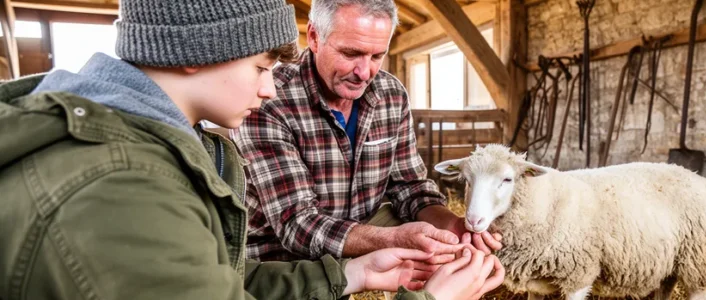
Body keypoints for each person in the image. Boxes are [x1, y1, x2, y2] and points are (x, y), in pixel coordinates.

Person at [0, 0, 502, 299]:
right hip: (287, 250)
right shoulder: (126, 185)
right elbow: (293, 222)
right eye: (262, 67)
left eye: (377, 55)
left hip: (316, 264)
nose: (268, 85)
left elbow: (226, 279)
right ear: (198, 51)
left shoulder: (172, 146)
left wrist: (363, 268)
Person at [233, 0, 503, 266]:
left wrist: (452, 226)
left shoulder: (391, 94)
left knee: (443, 258)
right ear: (314, 37)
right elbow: (297, 224)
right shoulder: (269, 99)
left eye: (376, 56)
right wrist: (393, 240)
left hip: (364, 233)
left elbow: (410, 186)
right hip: (282, 259)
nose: (364, 73)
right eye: (350, 54)